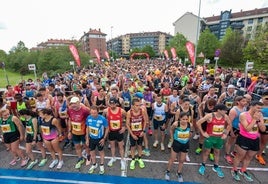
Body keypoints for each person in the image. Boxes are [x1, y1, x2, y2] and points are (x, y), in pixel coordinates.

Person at [231, 101, 266, 182]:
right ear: (251, 106)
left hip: (255, 139)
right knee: (239, 156)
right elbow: (247, 129)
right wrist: (254, 119)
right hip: (244, 138)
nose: (259, 110)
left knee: (249, 157)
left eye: (261, 108)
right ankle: (234, 169)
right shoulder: (243, 115)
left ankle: (243, 170)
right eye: (258, 107)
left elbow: (263, 129)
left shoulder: (260, 115)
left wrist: (260, 121)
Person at [197, 104, 231, 178]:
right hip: (210, 137)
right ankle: (203, 165)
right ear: (218, 110)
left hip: (219, 138)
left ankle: (216, 166)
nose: (226, 111)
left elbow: (229, 124)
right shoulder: (210, 116)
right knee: (207, 152)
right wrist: (203, 133)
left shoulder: (225, 116)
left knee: (217, 152)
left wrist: (226, 133)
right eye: (224, 110)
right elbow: (198, 122)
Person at [165, 112, 193, 182]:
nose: (185, 121)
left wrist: (189, 137)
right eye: (183, 119)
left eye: (186, 119)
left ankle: (179, 172)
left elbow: (190, 132)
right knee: (172, 159)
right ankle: (168, 171)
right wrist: (172, 139)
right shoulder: (176, 124)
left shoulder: (190, 125)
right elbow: (171, 130)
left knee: (182, 160)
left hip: (185, 144)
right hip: (176, 143)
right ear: (180, 118)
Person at [103, 97, 127, 170]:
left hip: (119, 131)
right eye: (111, 104)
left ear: (116, 103)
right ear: (109, 103)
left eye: (113, 104)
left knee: (120, 147)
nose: (112, 106)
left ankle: (122, 160)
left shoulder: (122, 111)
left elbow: (128, 118)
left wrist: (124, 127)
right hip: (111, 131)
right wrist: (106, 128)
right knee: (112, 146)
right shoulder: (106, 111)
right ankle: (113, 157)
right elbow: (103, 120)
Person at [67, 96, 90, 169]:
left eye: (74, 103)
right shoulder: (69, 110)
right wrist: (69, 131)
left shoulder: (85, 110)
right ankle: (80, 158)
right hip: (74, 132)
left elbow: (88, 122)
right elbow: (70, 120)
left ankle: (88, 157)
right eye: (71, 103)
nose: (73, 105)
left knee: (85, 146)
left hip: (83, 132)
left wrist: (87, 134)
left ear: (79, 103)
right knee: (77, 146)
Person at [86, 106, 109, 174]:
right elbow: (87, 128)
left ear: (98, 112)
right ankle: (94, 164)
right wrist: (87, 138)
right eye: (92, 113)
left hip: (99, 139)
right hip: (91, 138)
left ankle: (101, 165)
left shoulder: (102, 119)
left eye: (95, 113)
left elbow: (107, 128)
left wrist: (104, 138)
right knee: (92, 152)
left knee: (101, 152)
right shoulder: (88, 117)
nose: (93, 114)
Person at [224, 96, 247, 164]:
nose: (245, 102)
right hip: (234, 128)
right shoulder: (234, 110)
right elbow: (229, 122)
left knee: (237, 142)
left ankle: (234, 152)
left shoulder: (244, 108)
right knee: (230, 142)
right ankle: (227, 154)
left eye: (245, 101)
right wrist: (231, 131)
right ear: (238, 102)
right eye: (243, 101)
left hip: (241, 128)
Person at [126, 98, 147, 170]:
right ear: (132, 106)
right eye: (136, 105)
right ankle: (133, 159)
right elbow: (127, 125)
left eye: (139, 105)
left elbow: (145, 121)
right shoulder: (129, 113)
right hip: (133, 133)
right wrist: (132, 134)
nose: (138, 107)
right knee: (132, 147)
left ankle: (140, 158)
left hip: (140, 132)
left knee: (140, 145)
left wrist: (143, 131)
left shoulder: (142, 111)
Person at [255, 91, 268, 165]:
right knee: (253, 139)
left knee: (264, 141)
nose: (267, 100)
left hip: (266, 126)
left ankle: (259, 155)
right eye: (266, 98)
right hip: (256, 125)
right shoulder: (258, 105)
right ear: (262, 98)